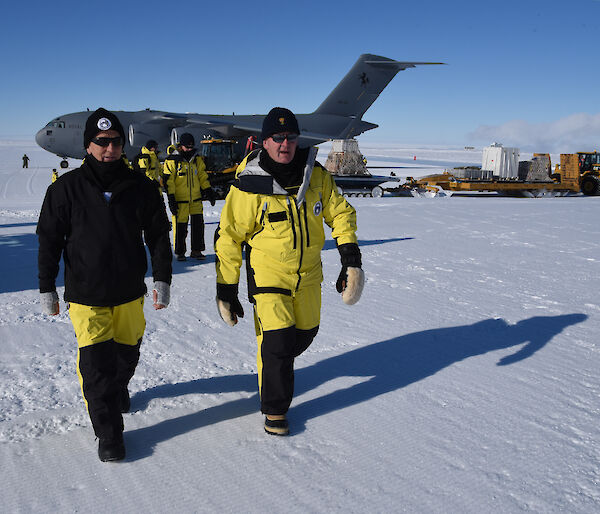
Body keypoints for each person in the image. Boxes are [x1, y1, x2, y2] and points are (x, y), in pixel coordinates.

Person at [214, 107, 364, 436]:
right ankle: (275, 411)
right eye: (277, 138)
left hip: (309, 275)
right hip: (269, 276)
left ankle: (273, 360)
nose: (285, 144)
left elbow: (341, 213)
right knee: (279, 342)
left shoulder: (317, 175)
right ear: (264, 142)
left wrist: (349, 256)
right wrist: (226, 288)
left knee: (304, 334)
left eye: (291, 137)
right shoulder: (249, 185)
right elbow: (229, 237)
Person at [37, 108, 173, 462]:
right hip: (86, 295)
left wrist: (162, 278)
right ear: (88, 145)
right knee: (96, 367)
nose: (109, 148)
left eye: (114, 141)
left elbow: (159, 236)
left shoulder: (141, 187)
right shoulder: (65, 189)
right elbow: (49, 239)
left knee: (126, 356)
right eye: (101, 142)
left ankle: (119, 387)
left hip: (129, 292)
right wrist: (47, 286)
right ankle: (109, 434)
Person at [163, 133, 216, 261]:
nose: (189, 149)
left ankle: (196, 251)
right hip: (180, 200)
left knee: (198, 226)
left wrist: (208, 190)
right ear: (181, 146)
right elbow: (168, 180)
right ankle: (180, 252)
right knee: (181, 227)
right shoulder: (172, 160)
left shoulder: (196, 159)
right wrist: (171, 198)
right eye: (187, 147)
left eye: (191, 147)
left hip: (196, 199)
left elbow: (202, 176)